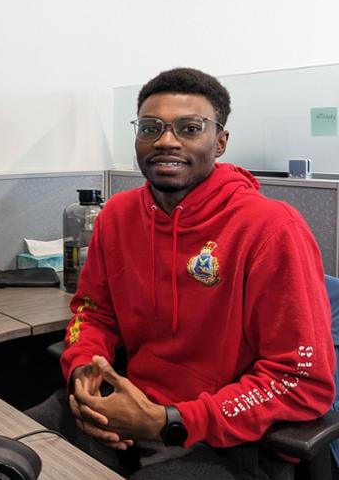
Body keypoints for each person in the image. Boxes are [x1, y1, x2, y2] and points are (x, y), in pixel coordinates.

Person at [27, 68, 335, 479]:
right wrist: (84, 371)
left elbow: (301, 381)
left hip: (225, 437)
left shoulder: (271, 229)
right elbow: (93, 312)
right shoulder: (115, 216)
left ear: (220, 141)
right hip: (125, 407)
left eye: (190, 128)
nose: (166, 140)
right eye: (151, 127)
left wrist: (167, 420)